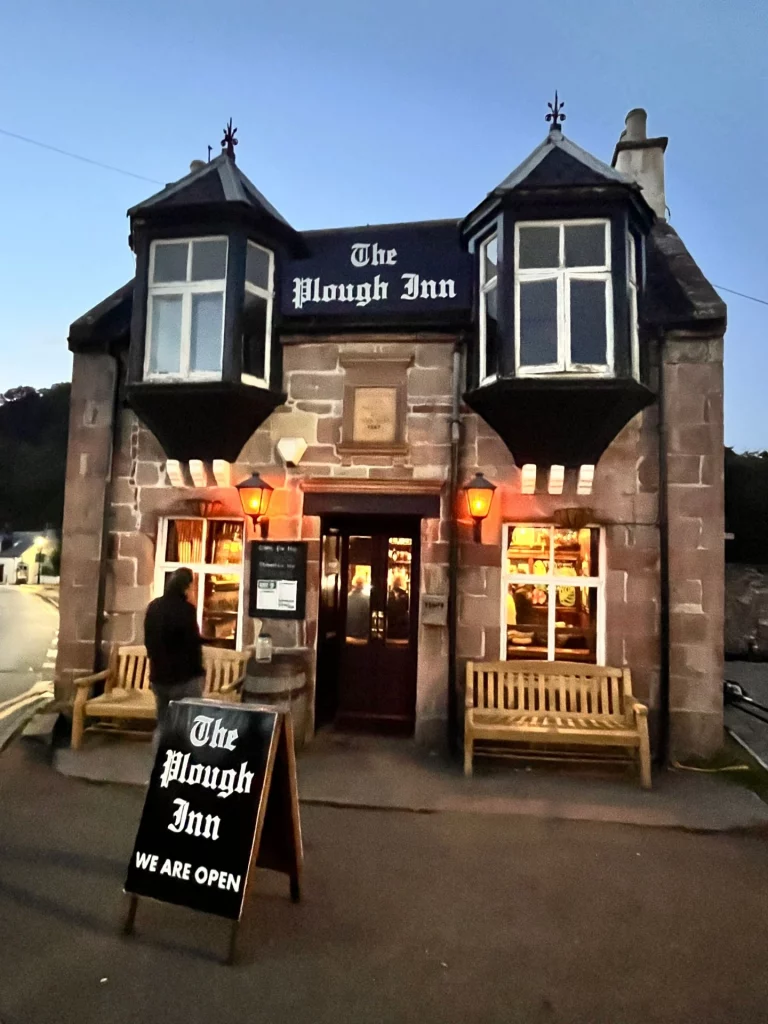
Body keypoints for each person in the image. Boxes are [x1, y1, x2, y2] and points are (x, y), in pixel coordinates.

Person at [144, 567, 204, 744]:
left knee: (163, 722)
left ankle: (161, 759)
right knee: (188, 724)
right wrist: (199, 673)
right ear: (186, 587)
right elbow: (191, 643)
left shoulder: (153, 606)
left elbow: (149, 641)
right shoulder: (186, 610)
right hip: (184, 678)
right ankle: (182, 760)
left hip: (159, 676)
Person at [346, 575, 370, 640]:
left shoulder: (347, 597)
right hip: (361, 635)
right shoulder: (366, 599)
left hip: (347, 634)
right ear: (363, 585)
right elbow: (367, 617)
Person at [386, 573, 410, 639]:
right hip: (403, 627)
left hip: (391, 626)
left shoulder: (389, 594)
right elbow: (407, 608)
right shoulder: (405, 594)